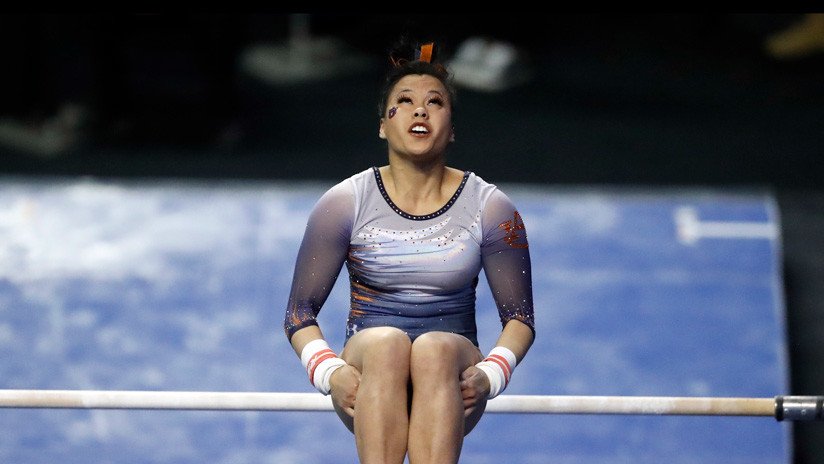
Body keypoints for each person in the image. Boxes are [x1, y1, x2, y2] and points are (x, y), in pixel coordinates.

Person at [283, 39, 535, 464]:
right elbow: (298, 314)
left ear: (451, 128)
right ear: (384, 124)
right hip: (368, 378)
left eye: (435, 102)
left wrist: (491, 375)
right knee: (387, 344)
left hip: (453, 379)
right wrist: (330, 373)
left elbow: (520, 319)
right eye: (405, 101)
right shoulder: (345, 203)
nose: (421, 110)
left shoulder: (491, 207)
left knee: (434, 348)